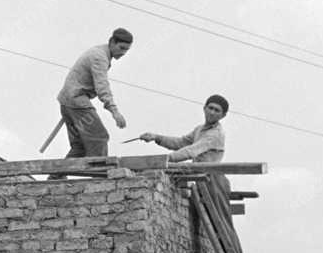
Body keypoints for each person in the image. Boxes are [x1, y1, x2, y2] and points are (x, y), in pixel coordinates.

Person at [55, 28, 133, 159]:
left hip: (67, 102)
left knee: (80, 146)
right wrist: (114, 111)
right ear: (112, 42)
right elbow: (102, 86)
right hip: (77, 102)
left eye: (126, 50)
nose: (123, 53)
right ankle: (100, 174)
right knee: (99, 138)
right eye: (121, 48)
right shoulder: (99, 57)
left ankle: (56, 176)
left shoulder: (100, 52)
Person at [138, 94, 229, 163]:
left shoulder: (216, 134)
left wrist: (165, 159)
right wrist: (157, 137)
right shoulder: (199, 129)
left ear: (223, 115)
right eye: (210, 108)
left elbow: (191, 151)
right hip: (201, 177)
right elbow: (181, 143)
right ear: (204, 108)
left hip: (213, 180)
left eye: (217, 110)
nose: (212, 112)